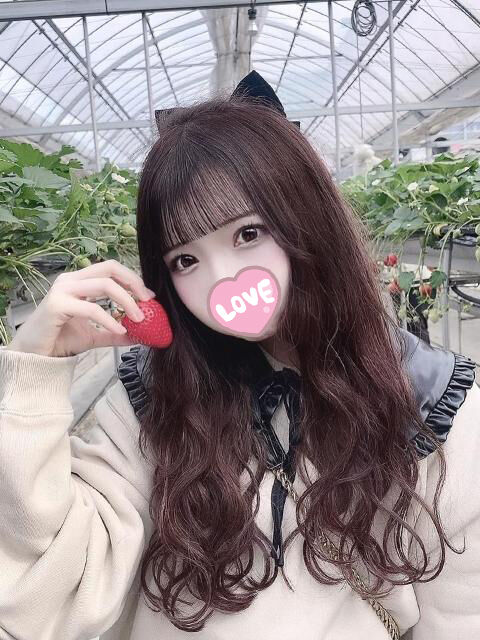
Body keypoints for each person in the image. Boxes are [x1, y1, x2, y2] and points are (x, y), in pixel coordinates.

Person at [0, 88, 479, 640]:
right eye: (185, 259)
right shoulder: (150, 404)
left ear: (308, 219)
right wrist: (33, 375)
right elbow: (45, 599)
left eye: (248, 233)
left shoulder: (430, 406)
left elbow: (460, 618)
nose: (223, 279)